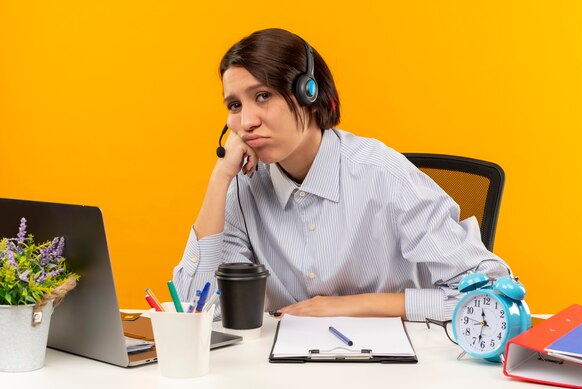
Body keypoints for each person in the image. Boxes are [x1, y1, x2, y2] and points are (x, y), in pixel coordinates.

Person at [173, 28, 508, 322]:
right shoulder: (243, 186)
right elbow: (196, 310)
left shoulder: (383, 174)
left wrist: (352, 305)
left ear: (309, 93)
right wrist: (219, 179)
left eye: (263, 96)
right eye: (234, 105)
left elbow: (491, 292)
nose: (246, 122)